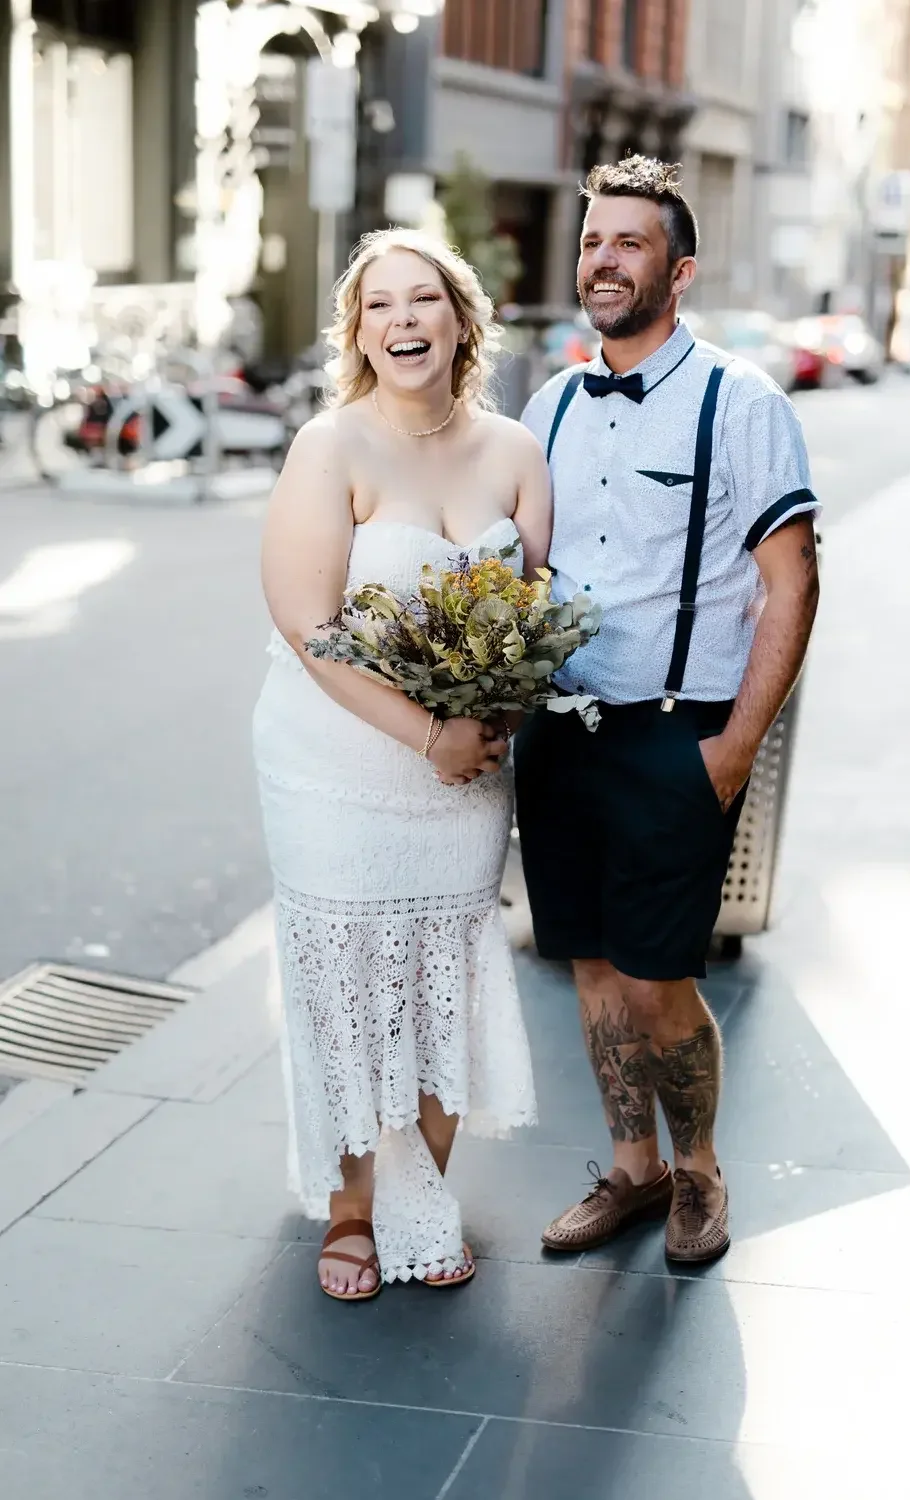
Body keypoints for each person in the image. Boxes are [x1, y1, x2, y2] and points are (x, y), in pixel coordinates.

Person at [516, 156, 821, 1264]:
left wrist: (735, 746)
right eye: (592, 240)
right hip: (561, 731)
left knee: (659, 981)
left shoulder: (739, 404)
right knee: (592, 966)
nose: (603, 258)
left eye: (628, 243)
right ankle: (631, 1171)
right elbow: (523, 570)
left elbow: (792, 581)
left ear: (678, 270)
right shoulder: (548, 401)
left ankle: (698, 1177)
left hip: (673, 733)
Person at [253, 229, 549, 1300]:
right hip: (336, 764)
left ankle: (420, 1193)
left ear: (462, 320)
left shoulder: (516, 451)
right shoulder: (330, 447)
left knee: (443, 979)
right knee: (347, 986)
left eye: (425, 300)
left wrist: (497, 713)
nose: (405, 322)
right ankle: (350, 1209)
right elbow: (307, 624)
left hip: (465, 772)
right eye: (381, 307)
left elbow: (532, 611)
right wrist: (427, 731)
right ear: (358, 331)